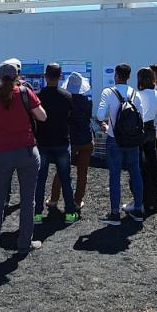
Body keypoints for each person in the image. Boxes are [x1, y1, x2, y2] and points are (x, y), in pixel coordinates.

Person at [0, 60, 47, 253]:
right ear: (18, 75)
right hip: (26, 150)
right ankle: (24, 243)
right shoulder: (26, 93)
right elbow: (42, 116)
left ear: (0, 77)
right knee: (28, 200)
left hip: (2, 152)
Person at [95, 63, 151, 225]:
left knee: (115, 175)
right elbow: (143, 117)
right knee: (135, 172)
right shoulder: (135, 94)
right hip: (133, 140)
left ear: (116, 76)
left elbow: (100, 115)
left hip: (114, 138)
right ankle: (138, 210)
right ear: (129, 76)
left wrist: (106, 124)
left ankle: (114, 214)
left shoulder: (109, 92)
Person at [33, 63, 78, 224]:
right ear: (60, 77)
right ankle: (70, 214)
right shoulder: (67, 96)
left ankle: (37, 214)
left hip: (43, 143)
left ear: (45, 76)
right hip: (62, 142)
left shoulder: (38, 96)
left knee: (40, 180)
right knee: (65, 179)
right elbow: (71, 118)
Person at [50, 71, 92, 212]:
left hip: (70, 140)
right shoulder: (87, 101)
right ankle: (78, 201)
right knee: (82, 172)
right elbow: (87, 119)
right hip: (86, 139)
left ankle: (54, 199)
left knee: (62, 170)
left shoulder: (65, 100)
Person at [138, 67, 157, 214]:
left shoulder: (139, 94)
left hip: (141, 130)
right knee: (153, 164)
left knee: (140, 166)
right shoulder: (156, 93)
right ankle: (154, 197)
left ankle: (141, 199)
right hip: (151, 129)